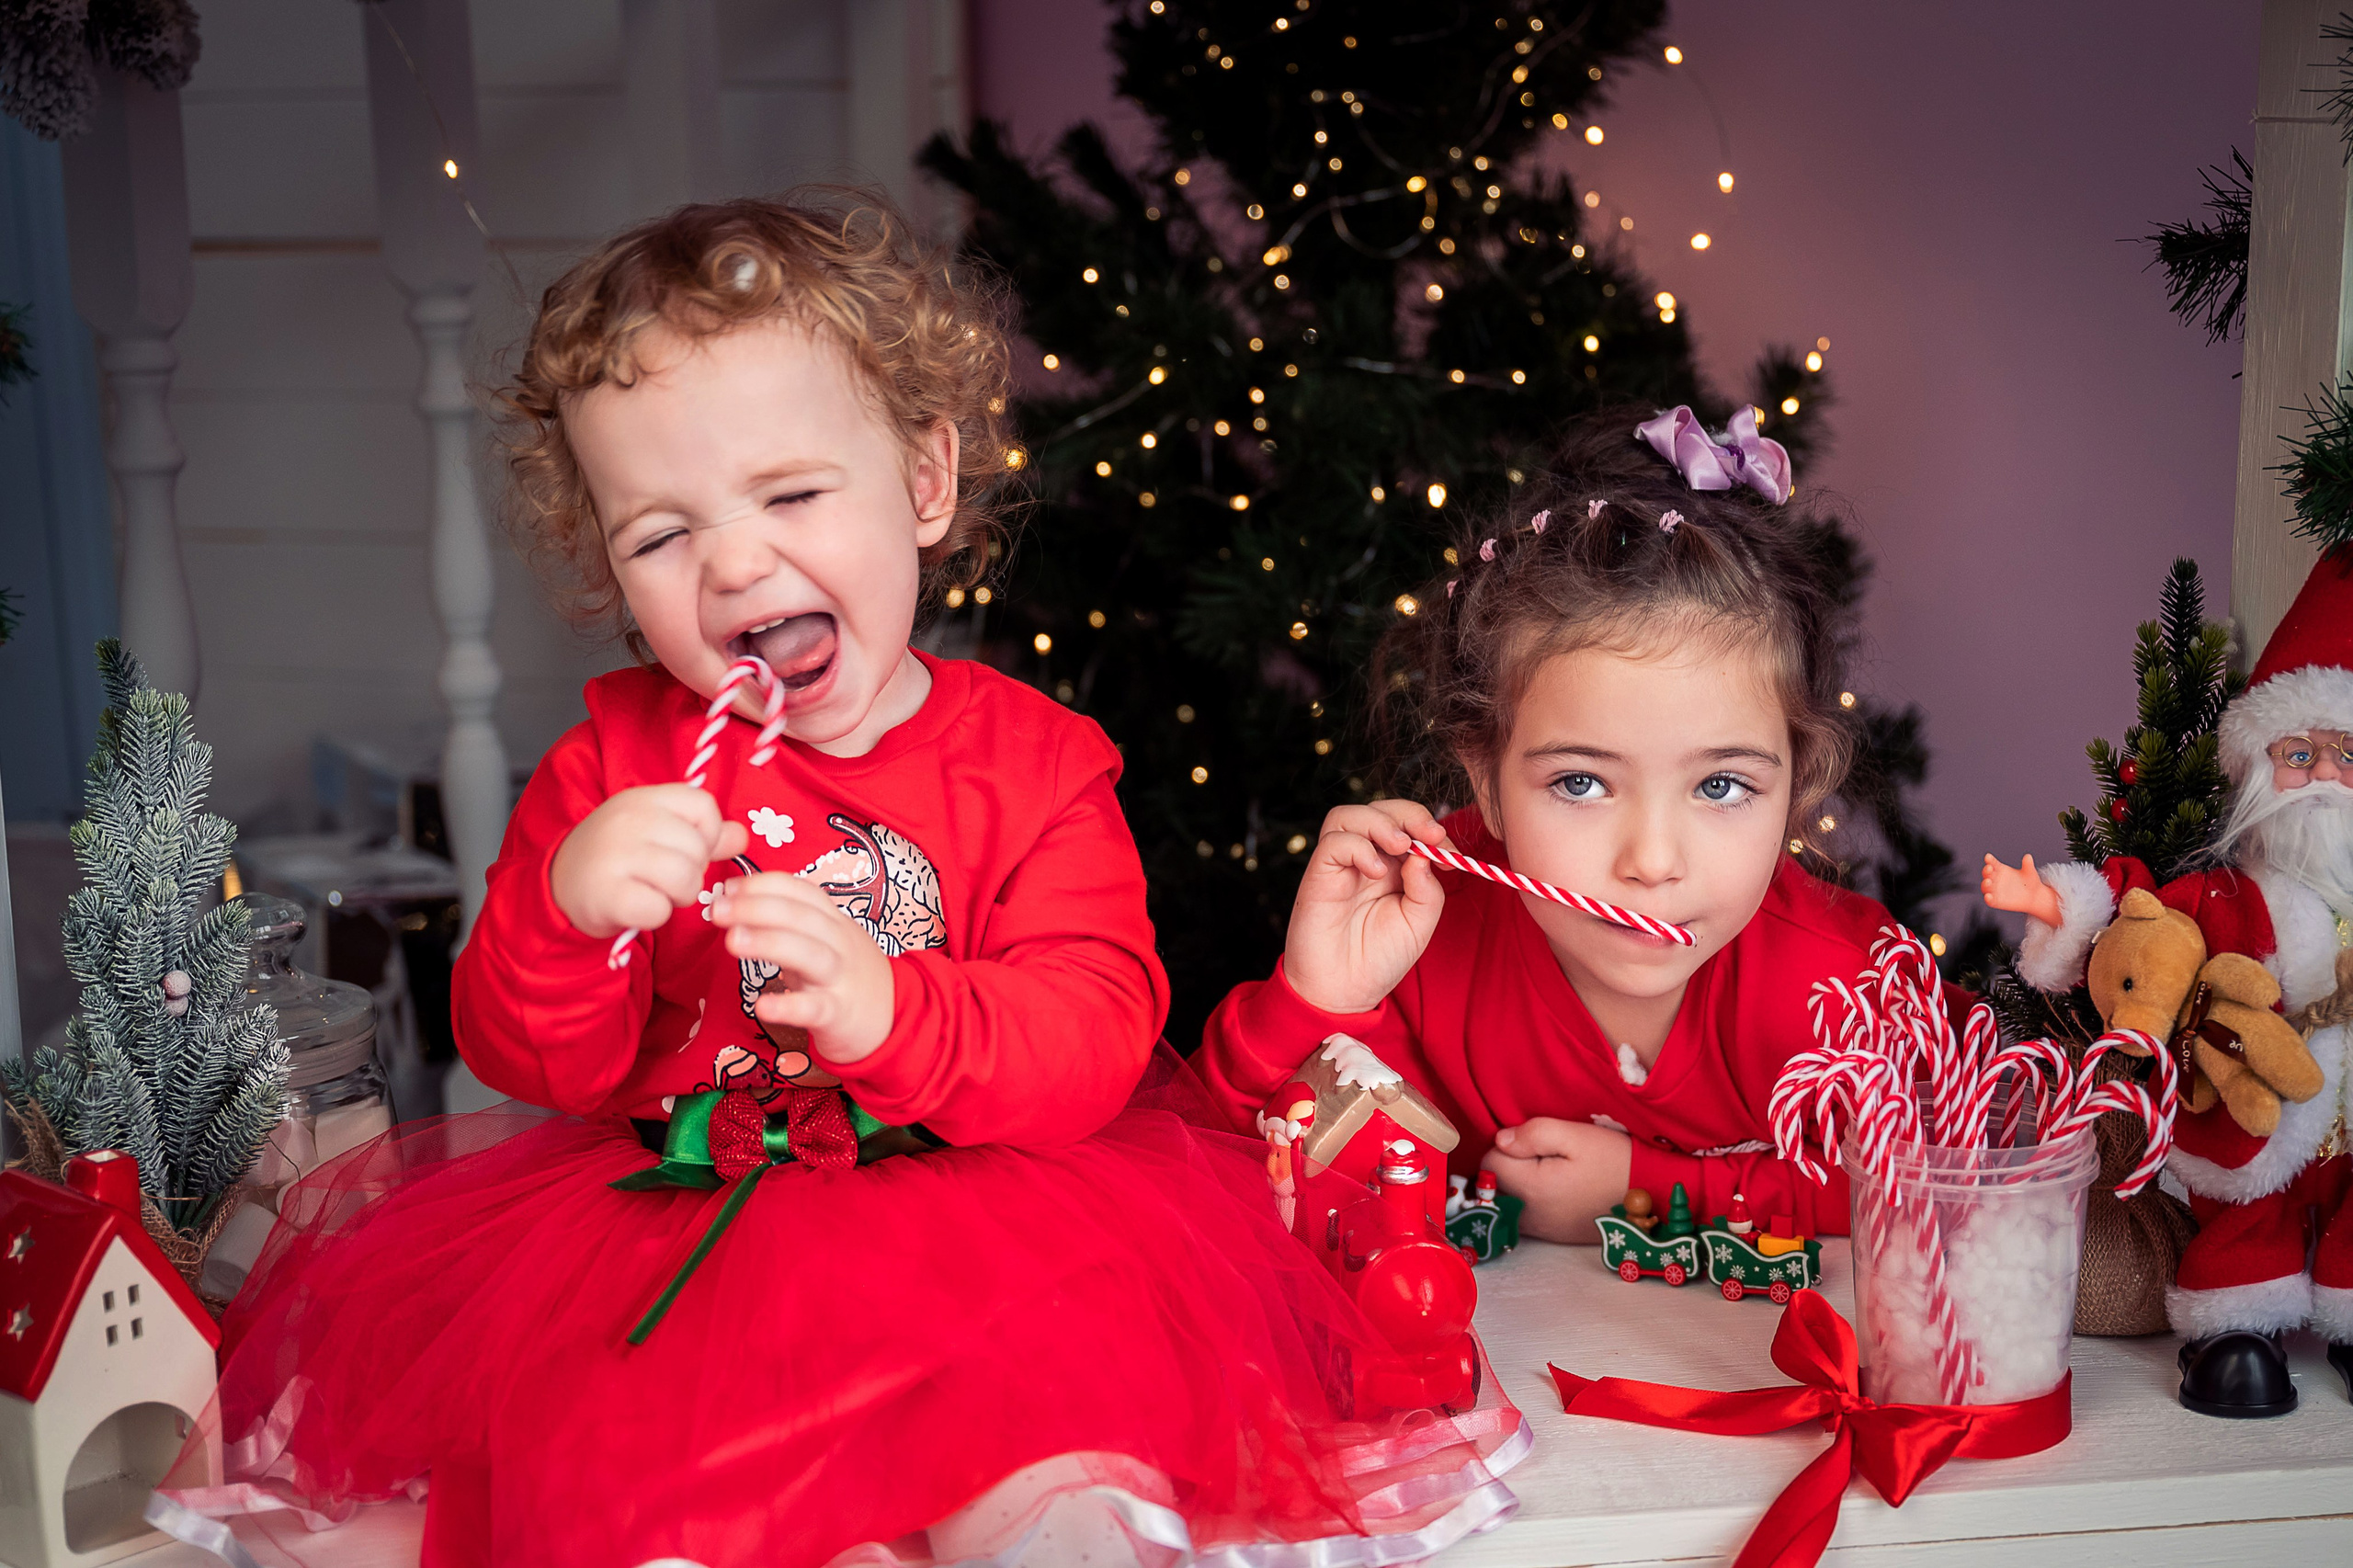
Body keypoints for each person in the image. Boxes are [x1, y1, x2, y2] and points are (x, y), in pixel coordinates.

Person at [153, 195, 1521, 1568]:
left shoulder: (1036, 765)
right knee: (674, 1500)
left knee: (1052, 1471)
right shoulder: (617, 767)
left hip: (991, 1237)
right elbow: (540, 1062)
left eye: (792, 493)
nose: (736, 562)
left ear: (925, 482)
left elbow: (1095, 1033)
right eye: (660, 534)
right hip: (684, 1250)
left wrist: (892, 1015)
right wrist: (566, 914)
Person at [1197, 406, 1946, 1245]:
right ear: (1485, 778)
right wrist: (1316, 1000)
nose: (1653, 862)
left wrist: (1649, 1191)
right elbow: (1215, 1180)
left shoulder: (1852, 990)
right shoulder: (1418, 932)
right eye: (1582, 782)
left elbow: (1957, 1182)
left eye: (1723, 785)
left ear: (1798, 781)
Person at [1983, 547, 2353, 1417]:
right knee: (2246, 1228)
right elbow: (2137, 913)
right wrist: (2056, 904)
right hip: (2249, 1127)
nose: (2325, 781)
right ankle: (2235, 1333)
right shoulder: (2226, 891)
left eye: (2347, 755)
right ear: (2261, 767)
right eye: (2300, 755)